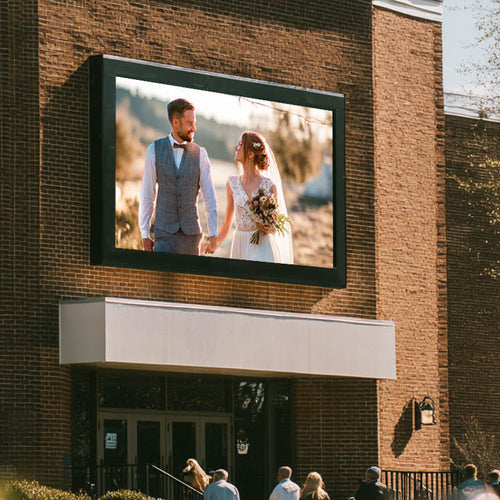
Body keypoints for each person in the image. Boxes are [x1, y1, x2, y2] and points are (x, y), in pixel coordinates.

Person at [139, 98, 218, 255]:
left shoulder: (201, 154)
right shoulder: (154, 150)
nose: (194, 128)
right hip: (163, 236)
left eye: (194, 123)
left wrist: (213, 233)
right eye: (189, 123)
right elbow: (148, 195)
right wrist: (144, 233)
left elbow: (209, 197)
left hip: (192, 237)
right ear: (175, 123)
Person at [211, 131, 293, 263]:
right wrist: (213, 245)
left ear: (250, 153)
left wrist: (268, 227)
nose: (236, 148)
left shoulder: (269, 187)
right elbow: (226, 224)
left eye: (240, 145)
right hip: (240, 246)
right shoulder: (232, 184)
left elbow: (274, 227)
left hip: (263, 247)